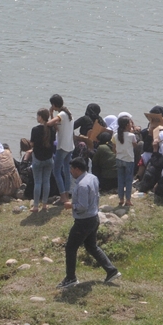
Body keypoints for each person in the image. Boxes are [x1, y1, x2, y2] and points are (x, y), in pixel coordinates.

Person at [57, 158, 120, 289]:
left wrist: (70, 205)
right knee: (91, 246)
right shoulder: (92, 177)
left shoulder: (82, 185)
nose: (70, 171)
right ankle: (111, 270)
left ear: (77, 170)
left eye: (71, 169)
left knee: (70, 248)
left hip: (83, 221)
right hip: (93, 218)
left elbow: (82, 206)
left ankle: (70, 278)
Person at [47, 96, 75, 208]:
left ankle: (63, 196)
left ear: (54, 105)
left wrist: (50, 114)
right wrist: (51, 113)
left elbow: (49, 124)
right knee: (66, 170)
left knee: (56, 171)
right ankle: (66, 195)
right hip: (70, 146)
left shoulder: (62, 115)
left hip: (62, 146)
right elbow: (58, 128)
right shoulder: (69, 114)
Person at [28, 109, 56, 212]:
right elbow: (52, 142)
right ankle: (44, 204)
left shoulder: (35, 129)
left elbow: (32, 144)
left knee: (38, 182)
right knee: (46, 181)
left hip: (38, 159)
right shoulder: (52, 129)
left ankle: (35, 206)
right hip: (49, 158)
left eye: (37, 115)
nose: (36, 117)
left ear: (40, 117)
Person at [113, 116, 139, 209]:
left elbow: (114, 148)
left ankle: (121, 199)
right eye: (130, 123)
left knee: (120, 180)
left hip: (119, 159)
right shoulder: (131, 136)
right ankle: (128, 199)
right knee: (128, 180)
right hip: (129, 159)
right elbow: (135, 145)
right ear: (127, 125)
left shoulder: (115, 135)